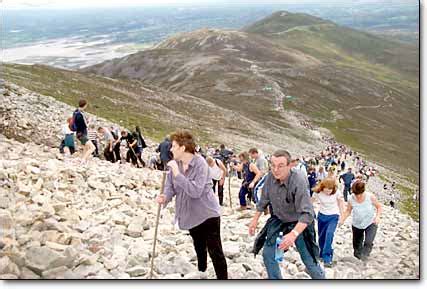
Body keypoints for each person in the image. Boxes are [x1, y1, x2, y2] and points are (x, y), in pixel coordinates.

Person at [155, 130, 228, 279]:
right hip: (190, 213)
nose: (170, 149)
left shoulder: (200, 163)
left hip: (208, 214)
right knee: (199, 245)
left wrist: (177, 174)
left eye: (173, 146)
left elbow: (195, 191)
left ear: (182, 148)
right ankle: (202, 273)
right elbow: (170, 187)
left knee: (215, 251)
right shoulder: (175, 164)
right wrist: (165, 197)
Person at [249, 150, 325, 279]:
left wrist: (293, 234)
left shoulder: (299, 180)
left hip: (299, 221)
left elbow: (308, 213)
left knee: (308, 259)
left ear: (290, 165)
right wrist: (254, 220)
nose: (276, 170)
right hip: (278, 219)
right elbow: (263, 201)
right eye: (273, 165)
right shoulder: (269, 178)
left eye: (280, 166)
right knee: (268, 254)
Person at [339, 180, 382, 261]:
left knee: (368, 242)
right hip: (357, 224)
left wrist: (377, 217)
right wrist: (342, 219)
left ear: (363, 191)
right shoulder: (351, 198)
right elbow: (348, 210)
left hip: (370, 223)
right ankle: (358, 257)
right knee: (356, 245)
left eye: (360, 194)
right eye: (356, 194)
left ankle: (364, 258)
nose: (358, 196)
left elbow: (379, 207)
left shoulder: (370, 197)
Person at [312, 178, 345, 267]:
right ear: (323, 187)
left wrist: (342, 217)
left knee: (329, 235)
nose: (328, 191)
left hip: (333, 216)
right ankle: (322, 253)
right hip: (322, 216)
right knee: (321, 236)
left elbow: (341, 204)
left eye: (330, 189)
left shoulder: (337, 193)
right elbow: (311, 202)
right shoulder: (318, 192)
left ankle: (327, 257)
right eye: (327, 189)